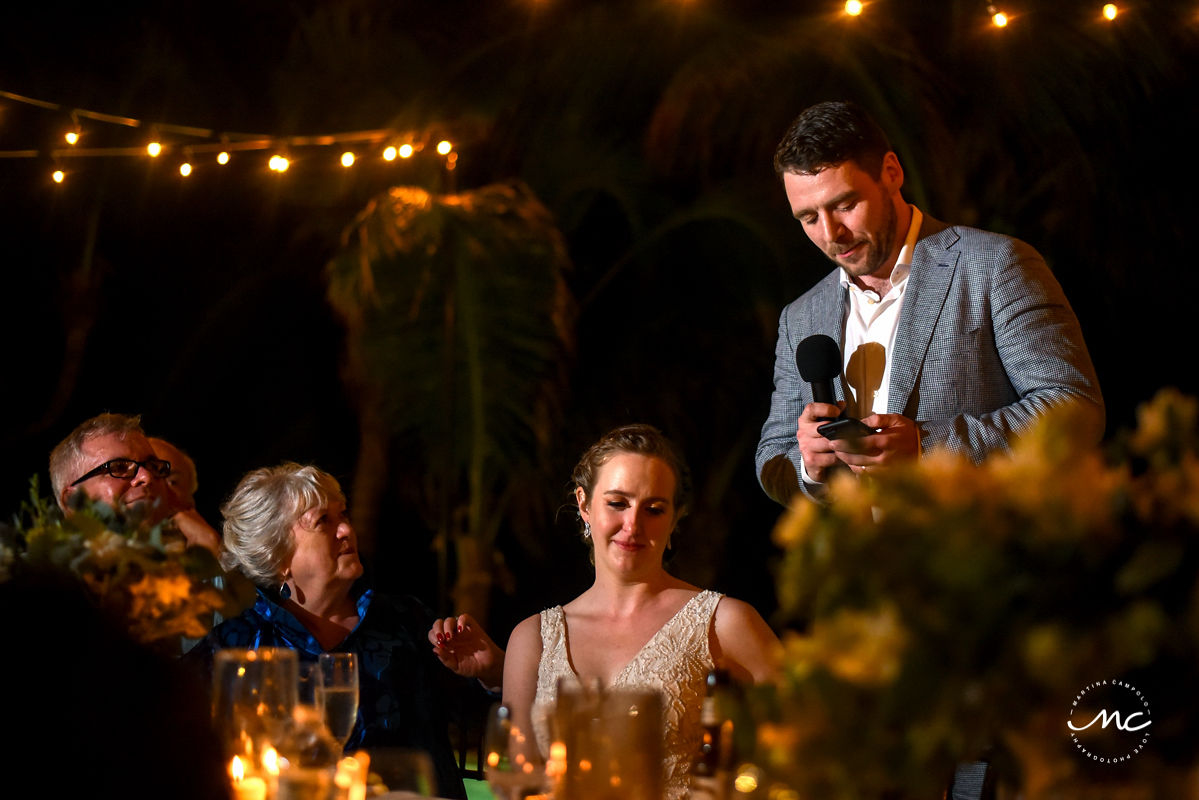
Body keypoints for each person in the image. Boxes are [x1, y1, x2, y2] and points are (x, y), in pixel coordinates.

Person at [756, 100, 1104, 505]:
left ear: (891, 173)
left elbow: (1074, 412)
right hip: (862, 563)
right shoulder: (800, 317)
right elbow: (773, 456)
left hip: (980, 556)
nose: (832, 234)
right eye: (809, 218)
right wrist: (808, 467)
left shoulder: (996, 265)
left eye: (846, 205)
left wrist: (927, 448)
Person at [184, 462, 504, 800]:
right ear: (277, 554)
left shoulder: (406, 620)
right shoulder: (237, 646)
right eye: (324, 521)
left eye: (344, 516)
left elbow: (487, 731)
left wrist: (492, 671)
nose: (346, 530)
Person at [503, 424, 780, 800]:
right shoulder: (532, 638)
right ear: (584, 504)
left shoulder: (723, 621)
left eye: (653, 509)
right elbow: (519, 784)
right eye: (617, 503)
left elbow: (812, 739)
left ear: (675, 519)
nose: (632, 526)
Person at [49, 413, 221, 553]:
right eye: (119, 467)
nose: (146, 477)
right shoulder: (35, 580)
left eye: (153, 466)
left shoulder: (196, 564)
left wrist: (212, 566)